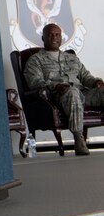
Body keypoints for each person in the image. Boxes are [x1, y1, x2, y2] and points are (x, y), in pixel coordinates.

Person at [23, 22, 104, 156]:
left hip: (83, 92)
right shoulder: (35, 60)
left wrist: (97, 82)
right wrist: (55, 85)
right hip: (59, 95)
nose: (54, 38)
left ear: (61, 37)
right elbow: (35, 82)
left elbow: (85, 77)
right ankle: (79, 139)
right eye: (50, 35)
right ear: (43, 38)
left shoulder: (72, 58)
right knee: (72, 92)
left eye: (57, 35)